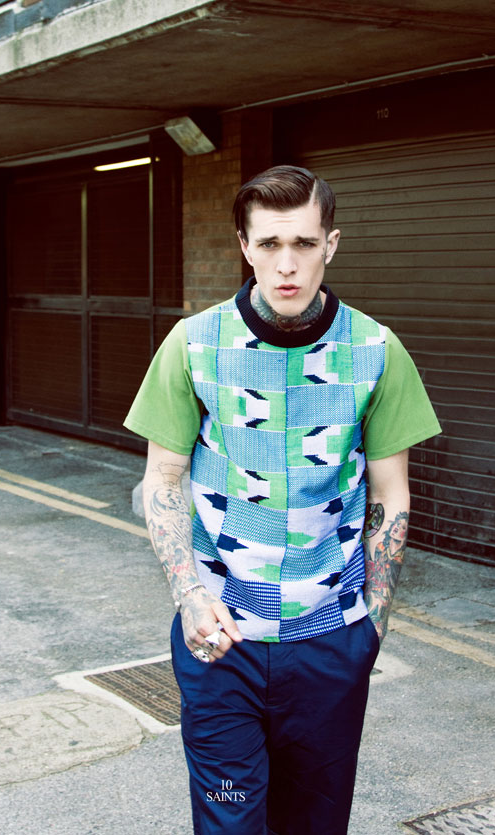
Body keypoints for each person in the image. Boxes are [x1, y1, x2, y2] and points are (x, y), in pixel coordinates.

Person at [124, 165, 441, 835]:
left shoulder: (377, 350)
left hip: (331, 640)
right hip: (222, 640)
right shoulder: (194, 343)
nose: (287, 264)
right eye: (269, 244)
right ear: (245, 246)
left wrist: (370, 628)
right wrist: (190, 596)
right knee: (231, 821)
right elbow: (162, 481)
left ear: (332, 244)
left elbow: (390, 496)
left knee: (314, 825)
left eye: (303, 243)